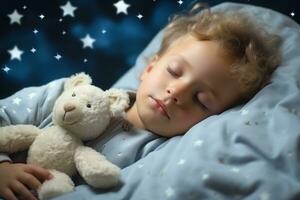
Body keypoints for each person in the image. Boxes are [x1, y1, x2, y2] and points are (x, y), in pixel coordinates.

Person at [0, 4, 281, 200]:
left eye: (201, 99)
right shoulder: (69, 92)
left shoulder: (159, 155)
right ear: (149, 67)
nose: (176, 93)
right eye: (174, 72)